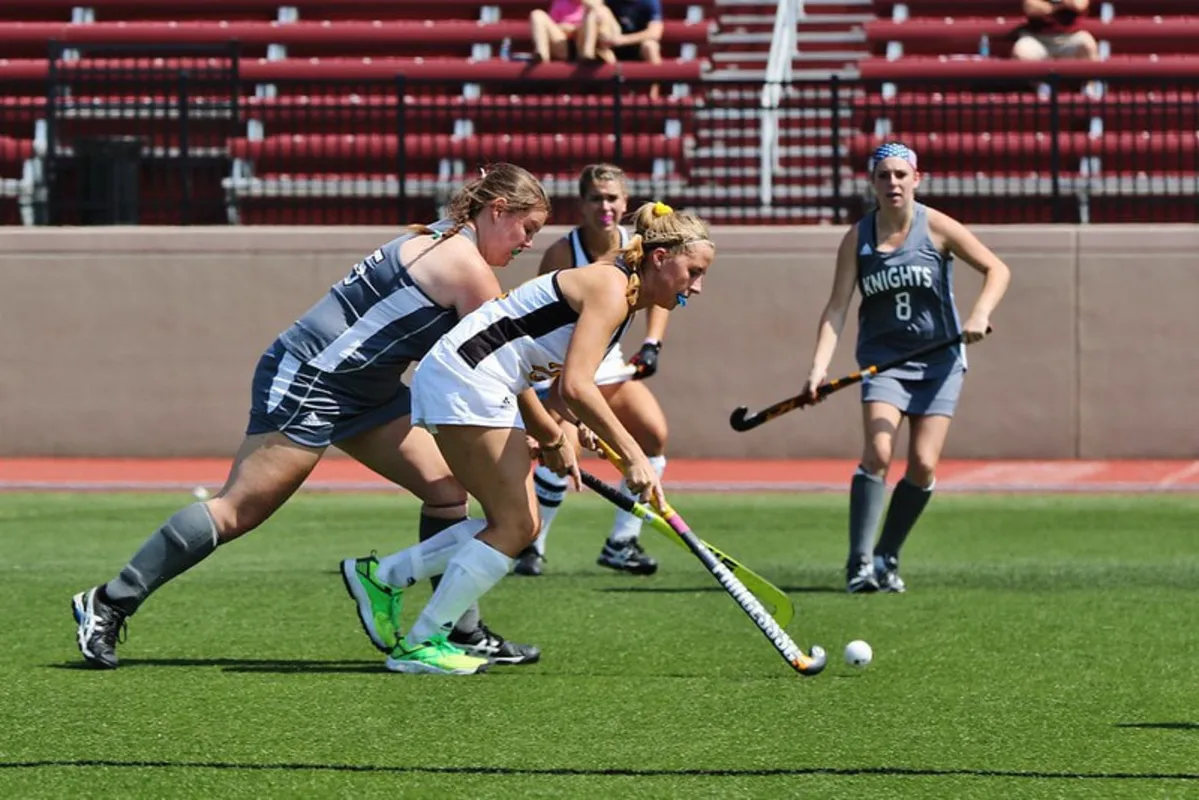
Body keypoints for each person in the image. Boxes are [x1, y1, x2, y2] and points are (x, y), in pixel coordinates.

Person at [70, 164, 550, 671]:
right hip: (311, 381)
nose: (527, 244)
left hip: (367, 389)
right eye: (527, 230)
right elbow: (501, 362)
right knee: (238, 510)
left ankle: (461, 629)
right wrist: (549, 433)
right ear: (498, 211)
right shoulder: (467, 267)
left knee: (448, 488)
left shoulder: (443, 237)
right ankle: (107, 602)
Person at [341, 200, 713, 675]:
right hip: (469, 381)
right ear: (662, 257)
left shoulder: (620, 290)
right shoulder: (611, 287)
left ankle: (385, 577)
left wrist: (567, 432)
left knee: (517, 523)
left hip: (477, 381)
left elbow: (551, 376)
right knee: (516, 525)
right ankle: (421, 641)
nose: (697, 287)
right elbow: (576, 387)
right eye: (694, 271)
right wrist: (632, 454)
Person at [802, 142, 1011, 594]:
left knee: (922, 464)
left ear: (917, 178)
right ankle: (859, 563)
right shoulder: (858, 237)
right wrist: (819, 368)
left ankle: (887, 555)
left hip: (940, 363)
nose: (893, 183)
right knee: (878, 451)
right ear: (872, 183)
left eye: (901, 174)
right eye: (884, 175)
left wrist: (979, 314)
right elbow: (837, 308)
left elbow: (997, 269)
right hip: (883, 364)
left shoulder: (936, 227)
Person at [516, 163, 672, 577]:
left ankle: (622, 541)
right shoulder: (563, 253)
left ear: (625, 202)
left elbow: (660, 294)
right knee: (561, 453)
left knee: (654, 435)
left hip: (611, 367)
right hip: (564, 370)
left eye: (612, 197)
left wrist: (652, 344)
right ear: (582, 205)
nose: (605, 206)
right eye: (596, 198)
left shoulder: (637, 244)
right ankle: (532, 545)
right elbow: (543, 318)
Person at [580, 0, 663, 67]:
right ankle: (587, 55)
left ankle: (655, 86)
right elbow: (594, 4)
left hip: (637, 45)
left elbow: (655, 32)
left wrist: (622, 40)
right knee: (598, 12)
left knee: (650, 46)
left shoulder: (650, 2)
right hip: (612, 45)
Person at [1011, 0, 1099, 63]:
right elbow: (1031, 7)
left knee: (1087, 44)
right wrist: (1058, 6)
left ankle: (1089, 88)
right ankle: (1033, 88)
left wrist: (1049, 5)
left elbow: (1078, 4)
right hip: (1037, 38)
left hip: (1070, 37)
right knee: (1021, 50)